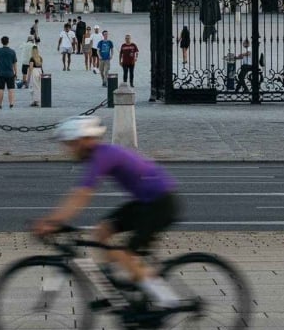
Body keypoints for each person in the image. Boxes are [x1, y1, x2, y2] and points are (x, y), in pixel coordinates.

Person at [35, 117, 182, 310]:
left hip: (160, 204)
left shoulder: (103, 156)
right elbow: (80, 194)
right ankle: (114, 291)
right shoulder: (100, 156)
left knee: (125, 255)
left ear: (83, 140)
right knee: (103, 230)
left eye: (70, 144)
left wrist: (53, 222)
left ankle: (168, 300)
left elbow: (81, 195)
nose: (68, 150)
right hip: (147, 201)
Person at [0, 36, 18, 109]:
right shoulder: (12, 51)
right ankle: (11, 104)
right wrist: (16, 73)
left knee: (0, 89)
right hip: (10, 73)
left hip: (1, 72)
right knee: (11, 89)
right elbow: (14, 63)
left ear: (1, 42)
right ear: (8, 42)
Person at [26, 42, 44, 107]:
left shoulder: (32, 58)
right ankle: (38, 100)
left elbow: (31, 68)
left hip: (34, 71)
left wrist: (28, 77)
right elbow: (41, 67)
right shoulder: (40, 58)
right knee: (38, 86)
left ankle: (35, 101)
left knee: (34, 87)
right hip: (40, 71)